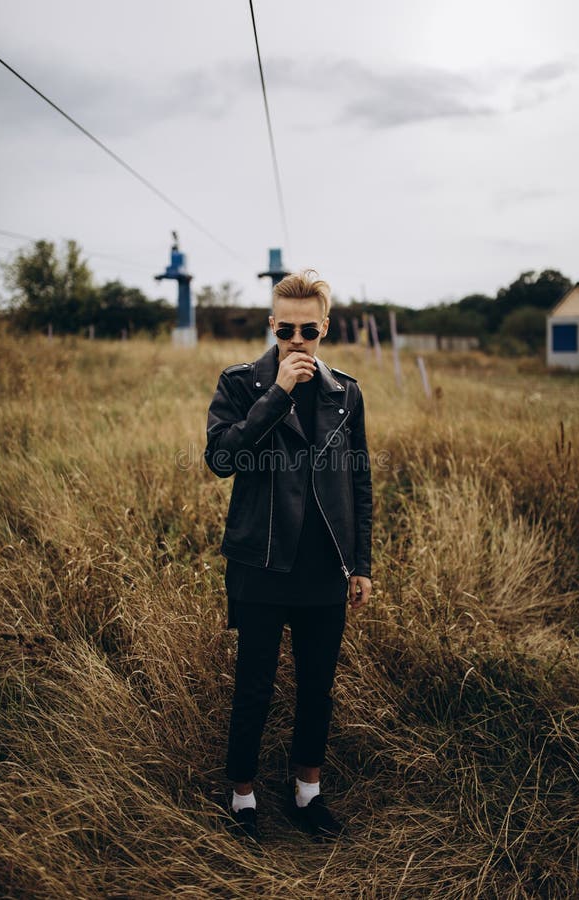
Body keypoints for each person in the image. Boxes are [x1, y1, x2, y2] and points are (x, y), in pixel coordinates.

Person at [205, 270, 372, 842]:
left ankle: (307, 792)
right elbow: (222, 460)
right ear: (271, 325)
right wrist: (277, 393)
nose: (297, 340)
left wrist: (362, 563)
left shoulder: (345, 392)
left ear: (324, 328)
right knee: (253, 685)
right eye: (286, 328)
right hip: (260, 561)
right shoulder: (240, 383)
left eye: (309, 329)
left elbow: (360, 482)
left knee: (316, 686)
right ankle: (243, 796)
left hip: (324, 566)